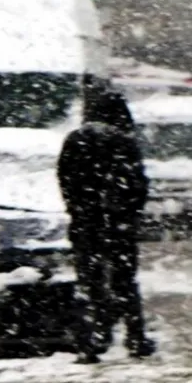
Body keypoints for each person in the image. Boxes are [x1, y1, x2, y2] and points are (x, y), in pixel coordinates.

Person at [57, 91, 154, 364]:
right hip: (118, 225)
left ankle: (93, 338)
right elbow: (137, 185)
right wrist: (129, 214)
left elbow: (65, 180)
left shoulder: (75, 140)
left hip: (86, 223)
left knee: (90, 281)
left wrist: (78, 209)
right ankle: (135, 337)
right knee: (124, 281)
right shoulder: (124, 143)